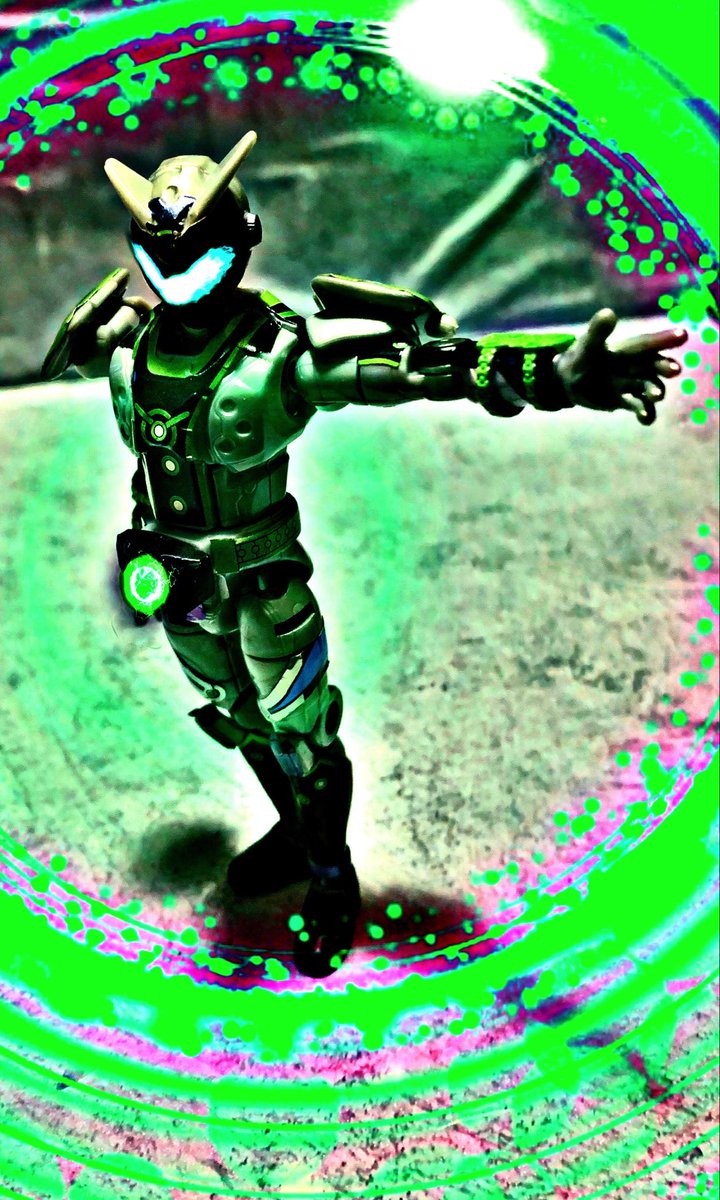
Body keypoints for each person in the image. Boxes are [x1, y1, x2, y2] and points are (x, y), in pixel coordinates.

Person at [42, 130, 687, 977]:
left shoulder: (281, 354)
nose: (178, 269)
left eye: (197, 251)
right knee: (238, 718)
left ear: (239, 243)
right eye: (160, 250)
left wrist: (551, 374)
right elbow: (74, 359)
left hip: (262, 585)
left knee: (302, 734)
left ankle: (329, 875)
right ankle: (294, 833)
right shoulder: (128, 346)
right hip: (176, 586)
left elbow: (423, 368)